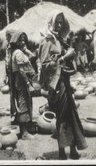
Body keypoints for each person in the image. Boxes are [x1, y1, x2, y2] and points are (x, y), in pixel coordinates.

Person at [39, 10, 87, 160]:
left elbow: (67, 64)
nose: (59, 25)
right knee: (62, 116)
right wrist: (64, 57)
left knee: (72, 115)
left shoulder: (60, 39)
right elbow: (45, 65)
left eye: (61, 22)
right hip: (56, 85)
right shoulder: (47, 41)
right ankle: (61, 151)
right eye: (57, 22)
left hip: (65, 82)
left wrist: (70, 55)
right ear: (51, 22)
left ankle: (72, 149)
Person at [9, 31, 36, 140]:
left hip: (23, 80)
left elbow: (32, 56)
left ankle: (26, 129)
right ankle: (24, 133)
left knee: (26, 102)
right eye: (20, 40)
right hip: (21, 80)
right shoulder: (18, 53)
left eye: (24, 39)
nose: (23, 41)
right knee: (23, 103)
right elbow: (21, 70)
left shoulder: (20, 52)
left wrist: (25, 49)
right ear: (16, 41)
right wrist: (28, 84)